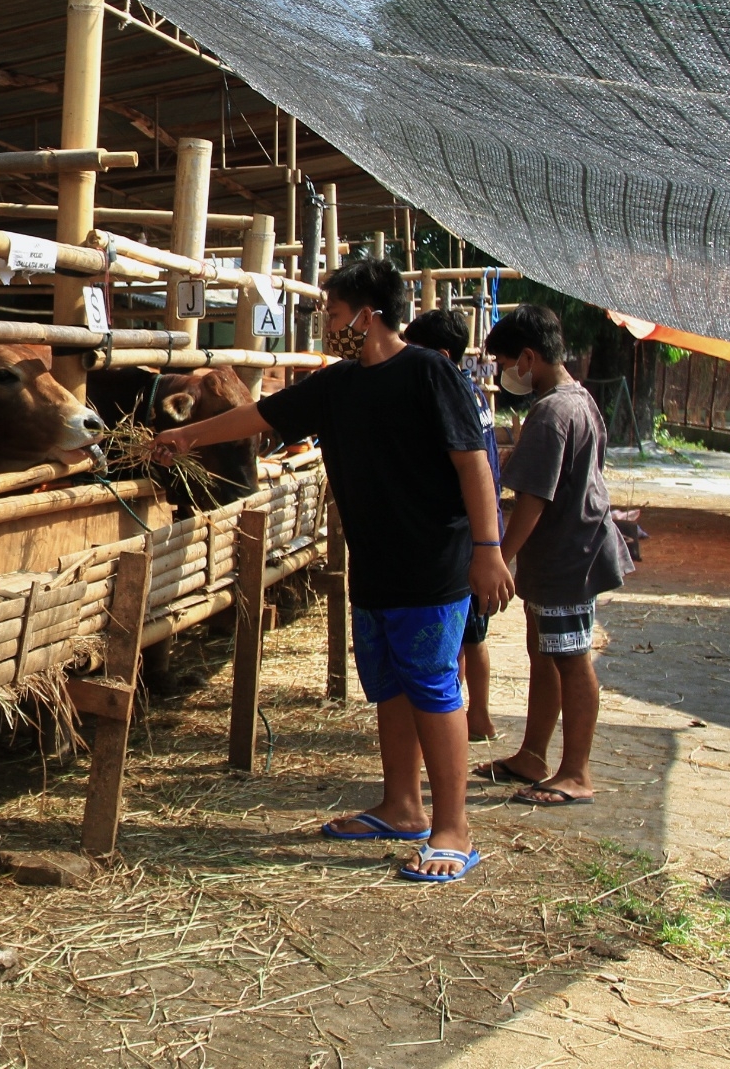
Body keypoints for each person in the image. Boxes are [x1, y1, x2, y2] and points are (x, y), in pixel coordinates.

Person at [150, 258, 511, 882]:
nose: (328, 323)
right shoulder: (339, 385)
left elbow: (473, 464)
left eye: (334, 313)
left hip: (433, 562)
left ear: (367, 315)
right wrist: (189, 438)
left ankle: (454, 826)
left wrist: (489, 549)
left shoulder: (431, 374)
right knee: (392, 686)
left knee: (431, 686)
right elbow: (262, 417)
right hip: (376, 562)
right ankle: (402, 806)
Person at [476, 305, 631, 806]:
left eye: (504, 362)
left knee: (570, 658)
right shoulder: (577, 399)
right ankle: (533, 755)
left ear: (528, 357)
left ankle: (577, 773)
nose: (504, 373)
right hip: (567, 551)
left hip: (568, 556)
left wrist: (498, 558)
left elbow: (533, 501)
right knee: (545, 654)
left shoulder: (551, 413)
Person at [402, 308, 504, 742]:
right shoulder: (474, 393)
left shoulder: (445, 397)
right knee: (470, 633)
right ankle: (474, 715)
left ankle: (465, 716)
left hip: (463, 534)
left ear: (441, 355)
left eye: (417, 353)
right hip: (477, 529)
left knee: (461, 634)